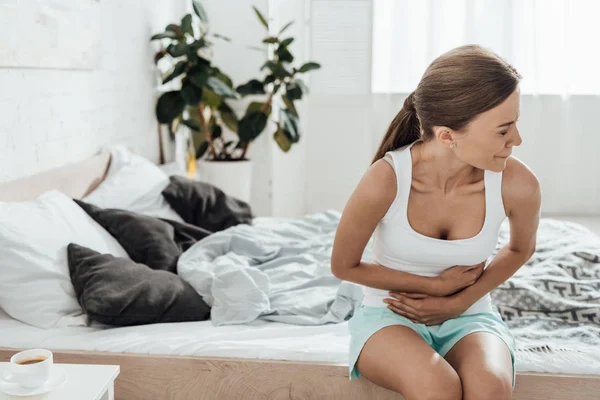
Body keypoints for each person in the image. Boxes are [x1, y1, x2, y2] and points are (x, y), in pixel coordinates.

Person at [331, 45, 541, 400]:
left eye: (515, 123)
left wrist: (458, 302)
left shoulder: (517, 184)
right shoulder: (387, 179)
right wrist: (435, 287)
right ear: (447, 136)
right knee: (437, 386)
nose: (516, 140)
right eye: (503, 130)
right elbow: (343, 265)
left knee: (490, 386)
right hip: (390, 316)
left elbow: (521, 248)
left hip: (471, 316)